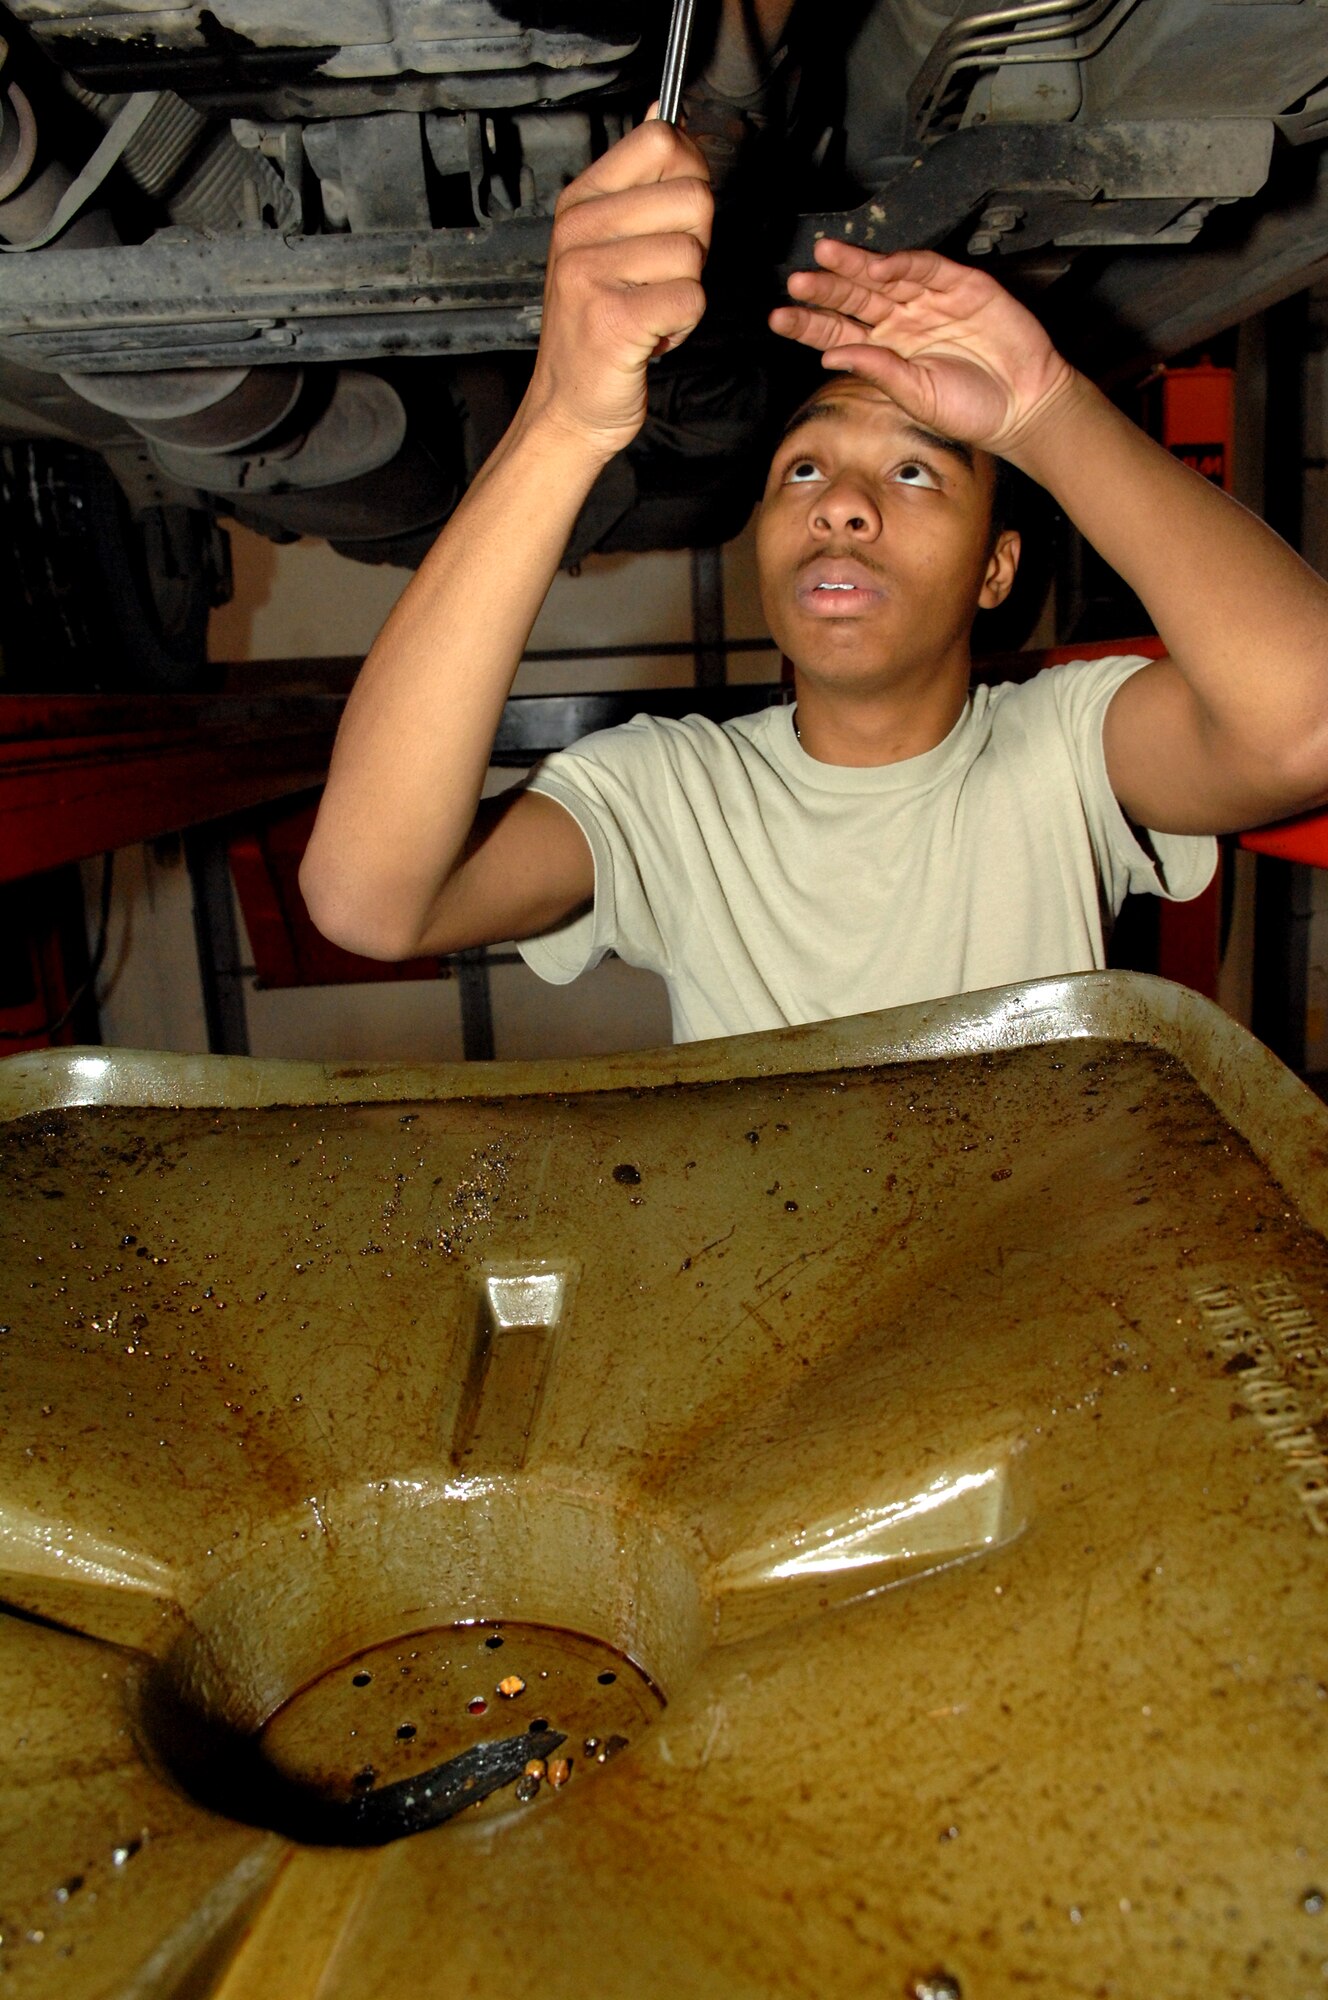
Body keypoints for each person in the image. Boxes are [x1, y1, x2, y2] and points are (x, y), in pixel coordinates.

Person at [300, 116, 1328, 1044]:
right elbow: (370, 901)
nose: (840, 503)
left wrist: (1043, 411)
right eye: (803, 466)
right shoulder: (674, 796)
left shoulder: (1064, 750)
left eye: (913, 471)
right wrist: (563, 417)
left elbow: (1305, 721)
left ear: (994, 568)